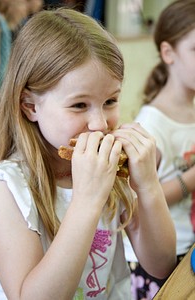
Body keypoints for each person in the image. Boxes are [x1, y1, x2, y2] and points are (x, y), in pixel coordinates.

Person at [0, 7, 176, 300]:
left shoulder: (110, 170)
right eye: (79, 105)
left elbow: (161, 265)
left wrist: (148, 185)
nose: (100, 124)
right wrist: (88, 199)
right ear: (30, 106)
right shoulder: (8, 187)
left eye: (110, 100)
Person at [124, 1, 195, 299]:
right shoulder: (152, 124)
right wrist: (190, 180)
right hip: (160, 261)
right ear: (168, 53)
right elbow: (137, 198)